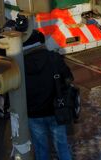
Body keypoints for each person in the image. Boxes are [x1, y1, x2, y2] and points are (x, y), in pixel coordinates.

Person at [24, 31, 73, 160]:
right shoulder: (54, 57)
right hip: (56, 110)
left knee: (41, 149)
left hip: (33, 114)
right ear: (39, 43)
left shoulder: (19, 64)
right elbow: (68, 78)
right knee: (62, 147)